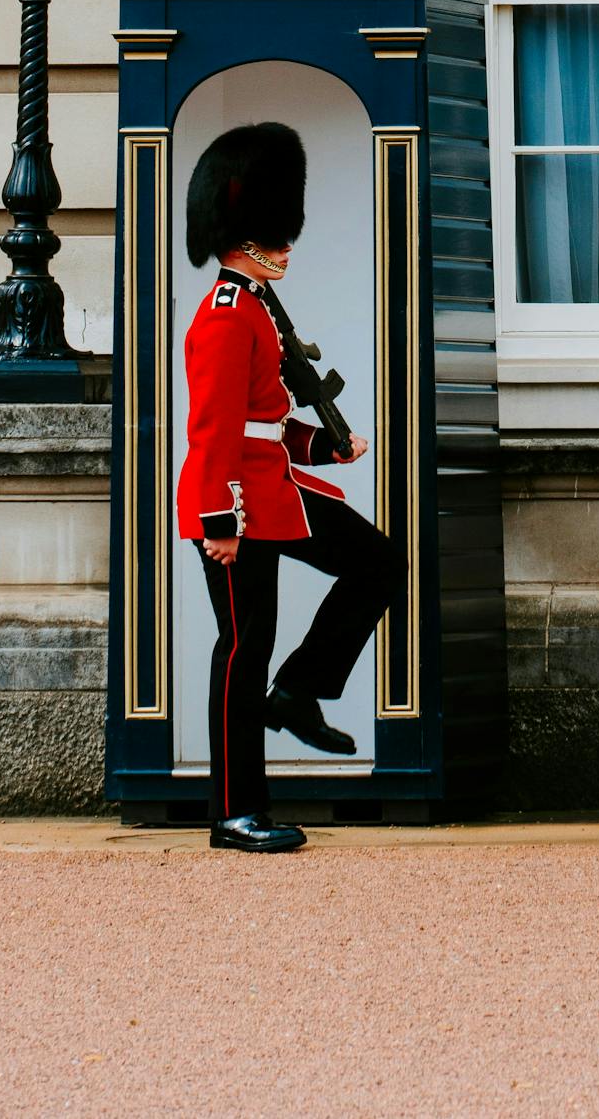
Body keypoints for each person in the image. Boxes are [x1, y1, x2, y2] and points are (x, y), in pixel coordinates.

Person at [177, 121, 403, 855]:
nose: (288, 246)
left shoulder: (259, 308)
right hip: (236, 505)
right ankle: (236, 811)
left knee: (377, 561)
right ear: (246, 235)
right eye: (277, 233)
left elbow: (264, 422)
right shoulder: (223, 317)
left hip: (273, 488)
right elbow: (212, 433)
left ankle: (300, 690)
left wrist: (326, 446)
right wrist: (219, 520)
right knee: (242, 650)